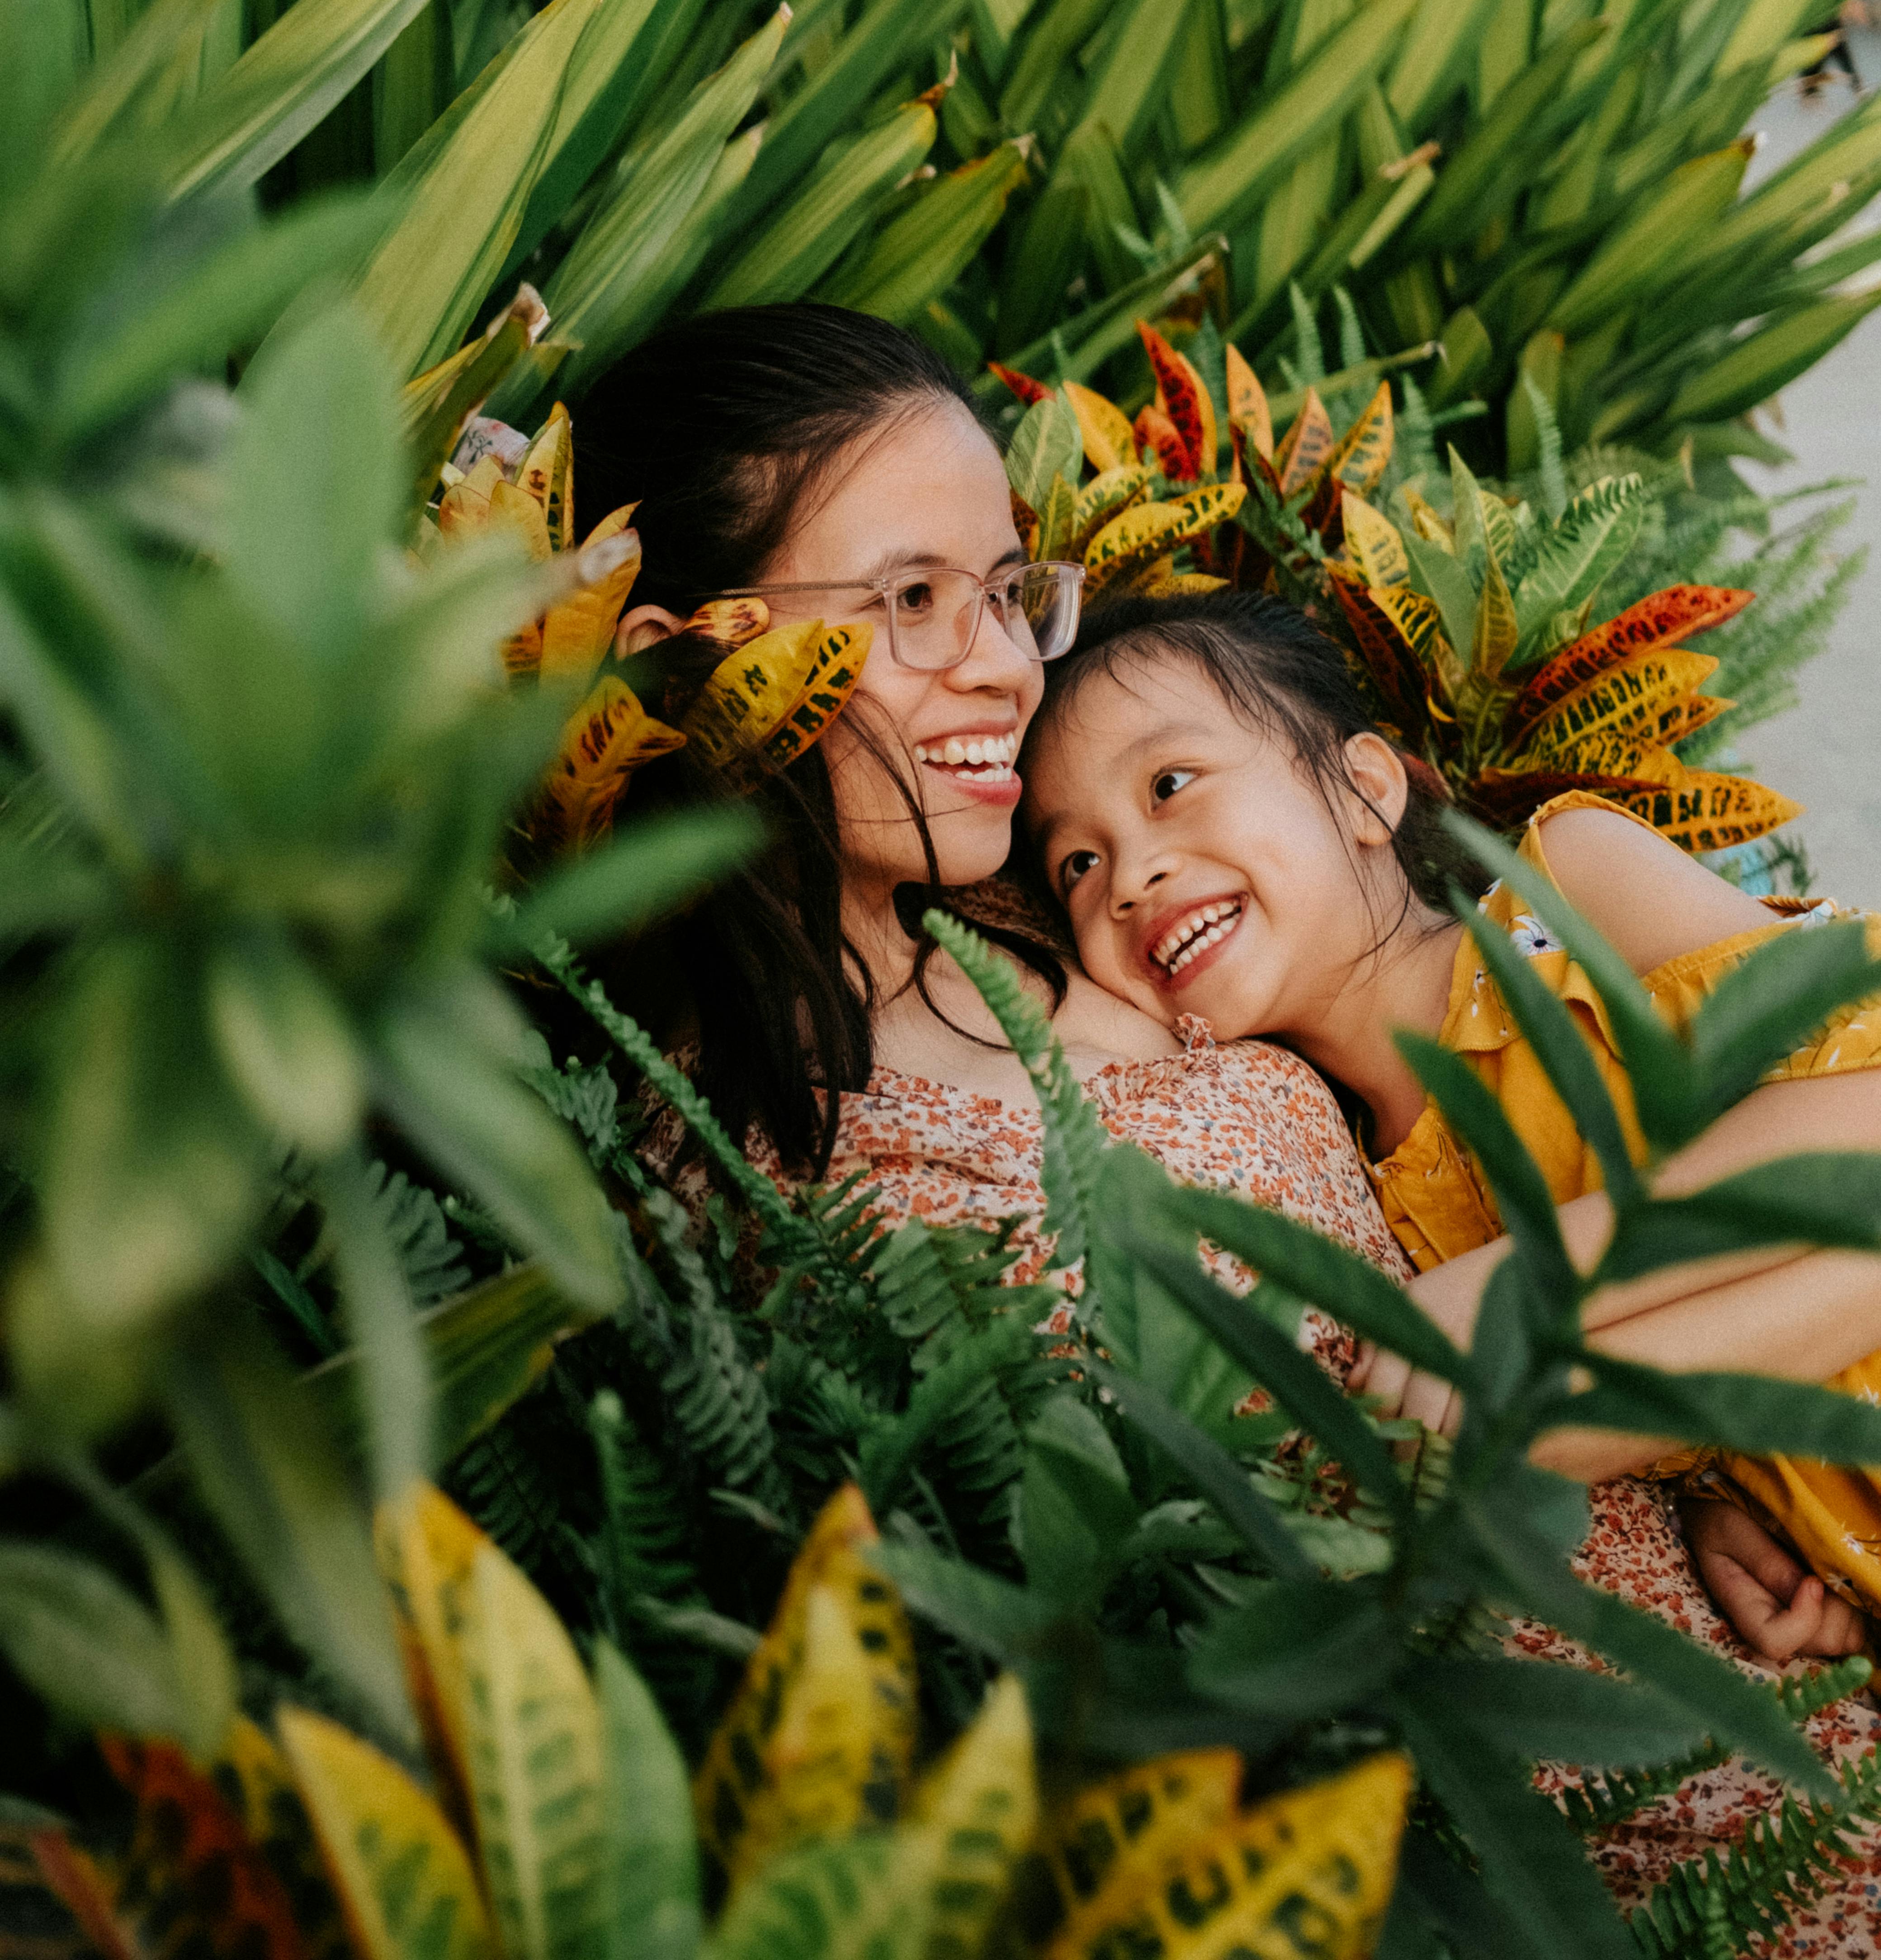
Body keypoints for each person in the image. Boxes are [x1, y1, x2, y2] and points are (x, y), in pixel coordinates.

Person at [584, 306, 1881, 1947]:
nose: (999, 659)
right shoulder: (741, 1160)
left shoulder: (1097, 929)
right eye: (913, 600)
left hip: (1790, 1689)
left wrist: (1717, 1471)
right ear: (680, 656)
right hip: (1579, 1873)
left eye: (1002, 593)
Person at [1017, 587, 1881, 1670]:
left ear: (1365, 791)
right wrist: (1716, 1480)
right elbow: (1544, 1437)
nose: (1129, 875)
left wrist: (1535, 1279)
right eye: (1075, 866)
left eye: (1170, 784)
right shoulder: (1370, 1206)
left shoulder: (1564, 895)